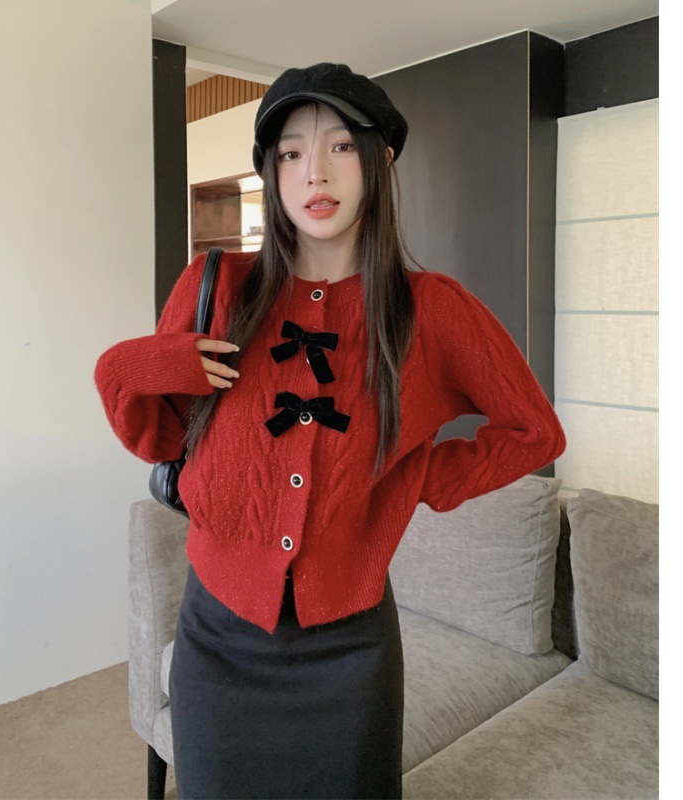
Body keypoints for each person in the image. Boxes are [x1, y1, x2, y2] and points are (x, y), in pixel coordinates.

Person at [94, 62, 566, 800]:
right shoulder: (216, 288)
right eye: (290, 153)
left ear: (380, 160)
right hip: (217, 640)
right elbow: (158, 441)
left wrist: (421, 477)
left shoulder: (431, 309)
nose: (314, 171)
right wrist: (127, 366)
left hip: (352, 653)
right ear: (272, 175)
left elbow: (534, 431)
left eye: (341, 145)